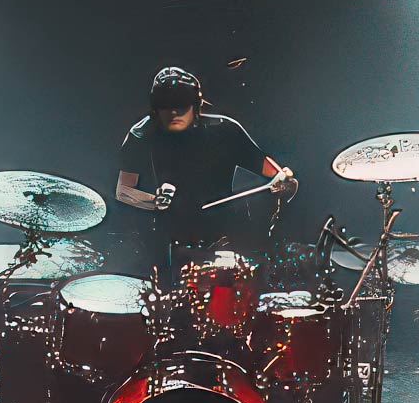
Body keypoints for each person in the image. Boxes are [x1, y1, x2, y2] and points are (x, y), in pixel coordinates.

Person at [113, 66, 297, 276]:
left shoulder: (226, 130)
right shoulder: (141, 134)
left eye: (181, 104)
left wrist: (284, 179)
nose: (174, 112)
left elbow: (273, 173)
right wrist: (153, 201)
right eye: (166, 105)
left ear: (196, 105)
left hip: (222, 239)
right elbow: (123, 190)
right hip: (165, 242)